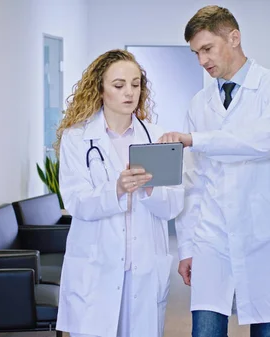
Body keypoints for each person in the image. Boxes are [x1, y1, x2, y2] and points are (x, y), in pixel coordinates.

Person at [158, 5, 270, 337]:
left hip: (266, 230)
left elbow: (262, 141)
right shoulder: (198, 103)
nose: (202, 60)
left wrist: (195, 140)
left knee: (267, 327)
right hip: (212, 234)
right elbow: (193, 180)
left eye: (207, 49)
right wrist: (187, 246)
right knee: (205, 329)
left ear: (234, 38)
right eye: (195, 53)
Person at [54, 49, 185, 337]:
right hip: (96, 267)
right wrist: (116, 189)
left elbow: (174, 204)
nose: (130, 92)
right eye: (119, 85)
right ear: (100, 89)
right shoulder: (77, 138)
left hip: (144, 266)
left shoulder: (156, 136)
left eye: (136, 84)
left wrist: (151, 191)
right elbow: (75, 201)